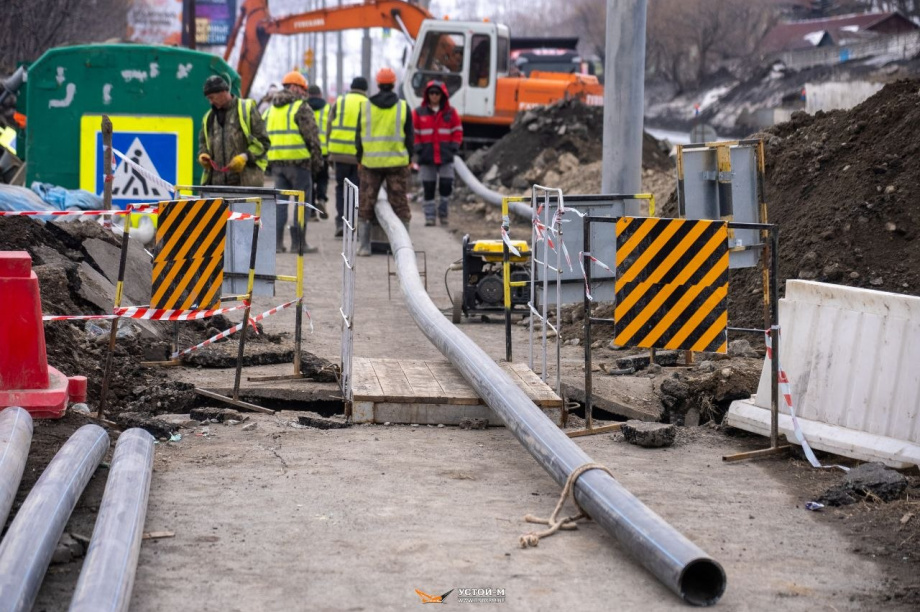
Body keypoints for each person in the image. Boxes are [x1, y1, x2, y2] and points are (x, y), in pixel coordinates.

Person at [355, 67, 413, 257]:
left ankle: (364, 246)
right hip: (397, 164)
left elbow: (359, 136)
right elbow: (410, 138)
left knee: (366, 203)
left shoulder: (365, 106)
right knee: (400, 204)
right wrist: (409, 159)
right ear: (394, 84)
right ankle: (405, 247)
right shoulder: (403, 107)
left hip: (371, 163)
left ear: (378, 84)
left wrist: (360, 159)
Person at [263, 71, 323, 253]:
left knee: (281, 203)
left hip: (277, 164)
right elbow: (312, 137)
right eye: (303, 89)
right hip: (299, 164)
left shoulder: (270, 109)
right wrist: (317, 163)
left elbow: (262, 137)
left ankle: (278, 243)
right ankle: (299, 243)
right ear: (295, 88)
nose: (305, 93)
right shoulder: (300, 107)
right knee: (301, 203)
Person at [197, 75, 270, 188]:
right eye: (208, 99)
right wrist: (203, 154)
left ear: (223, 92)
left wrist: (245, 157)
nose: (211, 102)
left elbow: (263, 142)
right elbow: (203, 143)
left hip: (245, 185)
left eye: (212, 97)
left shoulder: (247, 109)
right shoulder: (209, 118)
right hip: (217, 187)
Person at [411, 80, 463, 226]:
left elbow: (457, 130)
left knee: (446, 185)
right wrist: (418, 147)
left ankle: (443, 213)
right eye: (431, 93)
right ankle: (429, 216)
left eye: (437, 93)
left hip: (445, 154)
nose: (434, 96)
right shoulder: (418, 112)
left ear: (442, 95)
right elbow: (413, 132)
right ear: (427, 95)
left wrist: (454, 145)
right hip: (427, 155)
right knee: (428, 186)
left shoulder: (450, 113)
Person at [327, 76, 368, 238]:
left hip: (339, 154)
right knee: (357, 190)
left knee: (340, 188)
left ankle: (340, 222)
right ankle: (353, 224)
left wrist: (330, 152)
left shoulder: (340, 101)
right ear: (365, 89)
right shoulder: (367, 104)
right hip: (358, 156)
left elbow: (329, 125)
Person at [306, 84, 330, 221]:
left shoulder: (303, 106)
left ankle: (312, 211)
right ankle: (321, 199)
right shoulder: (327, 107)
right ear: (320, 94)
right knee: (322, 177)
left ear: (308, 94)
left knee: (309, 180)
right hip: (324, 150)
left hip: (308, 150)